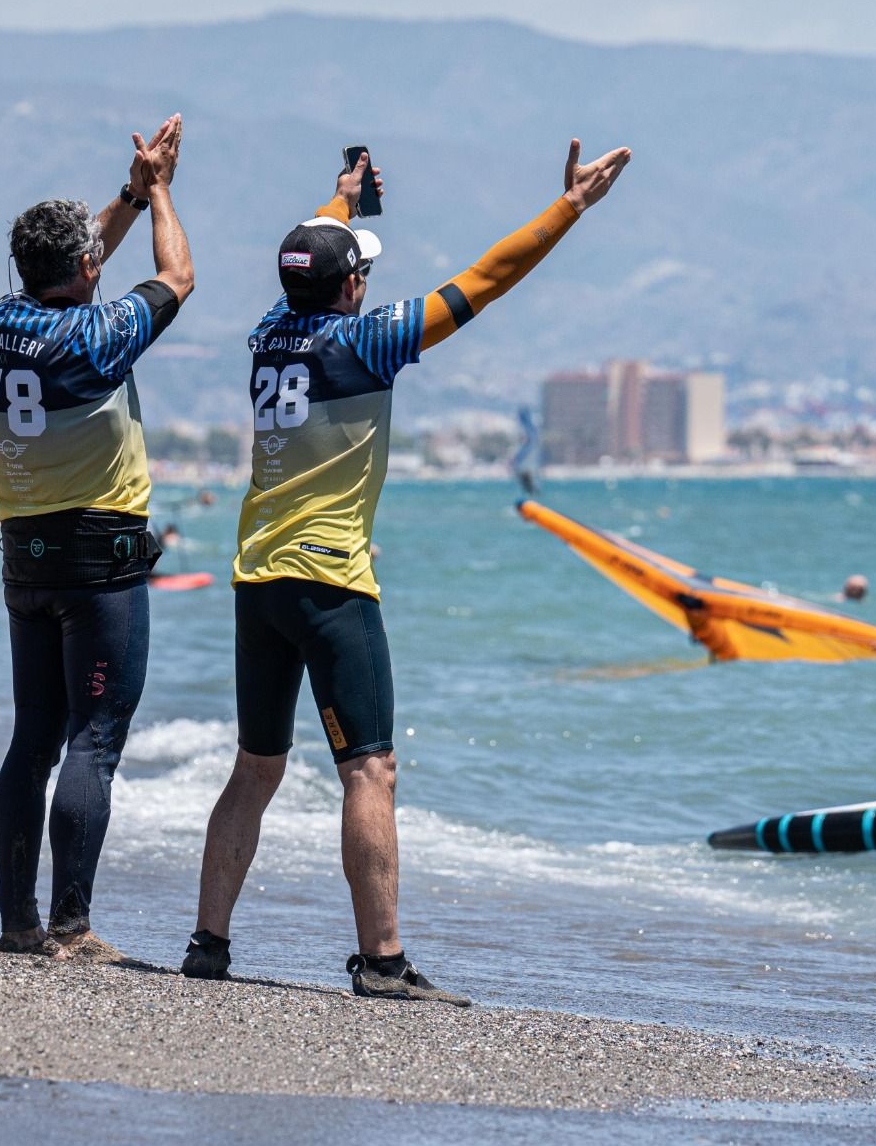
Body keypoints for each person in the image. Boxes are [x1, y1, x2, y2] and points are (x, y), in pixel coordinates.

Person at [185, 138, 632, 1000]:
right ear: (351, 286)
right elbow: (488, 278)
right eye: (361, 275)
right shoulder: (369, 344)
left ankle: (208, 943)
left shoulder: (267, 334)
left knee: (256, 767)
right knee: (370, 769)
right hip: (331, 584)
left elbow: (311, 252)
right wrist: (569, 208)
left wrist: (342, 198)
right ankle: (382, 962)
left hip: (258, 579)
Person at [0, 114, 194, 960]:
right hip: (99, 559)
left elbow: (77, 256)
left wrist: (130, 193)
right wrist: (162, 191)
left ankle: (17, 925)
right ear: (90, 270)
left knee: (33, 737)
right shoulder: (95, 341)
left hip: (23, 556)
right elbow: (180, 274)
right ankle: (72, 926)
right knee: (92, 739)